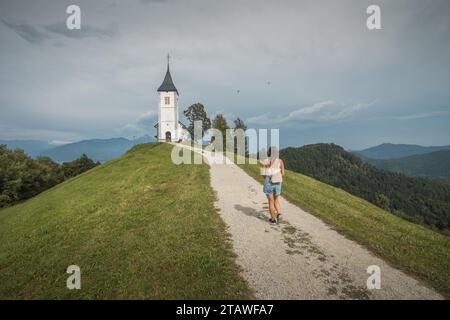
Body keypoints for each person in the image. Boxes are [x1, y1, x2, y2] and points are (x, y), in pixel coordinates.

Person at [259, 146, 285, 224]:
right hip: (278, 183)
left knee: (271, 201)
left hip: (269, 182)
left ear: (269, 152)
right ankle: (279, 213)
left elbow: (263, 174)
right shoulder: (280, 161)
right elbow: (283, 174)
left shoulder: (265, 161)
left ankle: (273, 220)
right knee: (276, 200)